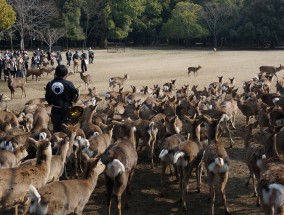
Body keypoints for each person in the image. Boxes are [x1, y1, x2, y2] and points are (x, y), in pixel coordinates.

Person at [45, 65, 79, 132]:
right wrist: (72, 102)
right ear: (66, 74)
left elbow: (47, 96)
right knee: (65, 129)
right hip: (66, 110)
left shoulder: (50, 84)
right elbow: (75, 95)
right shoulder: (69, 84)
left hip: (55, 109)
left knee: (56, 129)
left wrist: (50, 103)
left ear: (56, 73)